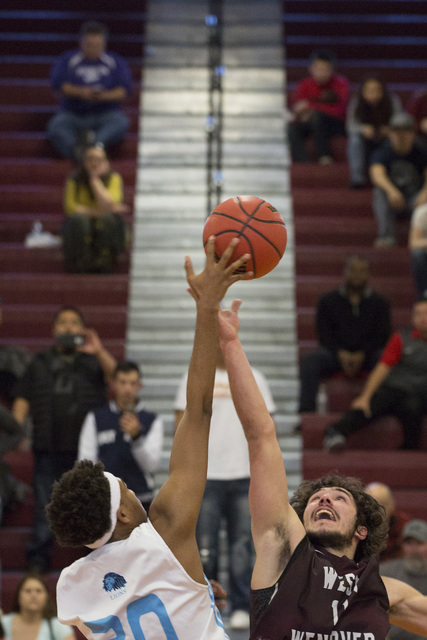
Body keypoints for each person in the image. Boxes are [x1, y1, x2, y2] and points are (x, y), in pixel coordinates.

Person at [45, 238, 251, 640]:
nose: (137, 494)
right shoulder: (168, 531)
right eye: (126, 490)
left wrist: (189, 587)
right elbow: (198, 412)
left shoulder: (70, 588)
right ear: (122, 514)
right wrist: (207, 306)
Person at [217, 295, 427, 640]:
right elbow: (260, 435)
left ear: (362, 529)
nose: (324, 500)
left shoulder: (385, 591)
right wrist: (230, 343)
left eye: (339, 498)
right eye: (316, 499)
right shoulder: (283, 554)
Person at [174, 347, 276, 630]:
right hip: (205, 475)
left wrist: (264, 471)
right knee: (205, 549)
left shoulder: (254, 377)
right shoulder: (193, 377)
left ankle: (242, 605)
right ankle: (207, 607)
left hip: (244, 474)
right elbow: (180, 425)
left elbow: (267, 427)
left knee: (243, 546)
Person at [12, 305, 117, 573]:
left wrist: (99, 350)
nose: (68, 328)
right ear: (54, 329)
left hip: (87, 451)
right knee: (43, 505)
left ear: (82, 329)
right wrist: (16, 430)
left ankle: (94, 559)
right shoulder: (40, 362)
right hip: (47, 446)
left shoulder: (93, 361)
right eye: (63, 323)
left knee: (89, 503)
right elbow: (23, 398)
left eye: (74, 323)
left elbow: (117, 379)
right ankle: (38, 559)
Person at [324, 294, 427, 452]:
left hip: (419, 395)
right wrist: (365, 396)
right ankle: (335, 432)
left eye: (425, 313)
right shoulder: (402, 338)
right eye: (418, 314)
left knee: (412, 408)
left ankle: (409, 450)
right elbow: (382, 367)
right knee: (371, 403)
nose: (422, 318)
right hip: (395, 389)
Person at [298, 255, 391, 415]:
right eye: (353, 270)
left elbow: (382, 336)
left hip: (368, 355)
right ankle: (306, 413)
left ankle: (382, 409)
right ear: (345, 273)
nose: (357, 275)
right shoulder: (327, 300)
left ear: (368, 275)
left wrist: (363, 353)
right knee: (311, 361)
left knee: (385, 359)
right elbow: (324, 334)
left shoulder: (380, 303)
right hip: (335, 354)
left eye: (362, 271)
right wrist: (340, 353)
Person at [78, 360, 164, 512]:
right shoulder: (96, 418)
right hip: (105, 498)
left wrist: (136, 437)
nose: (127, 389)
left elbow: (151, 465)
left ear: (140, 386)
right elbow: (85, 462)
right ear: (113, 384)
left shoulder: (151, 420)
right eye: (123, 382)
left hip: (140, 498)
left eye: (132, 383)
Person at [47, 21, 132, 161]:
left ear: (104, 44)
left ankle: (94, 146)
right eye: (89, 45)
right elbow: (59, 87)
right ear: (81, 42)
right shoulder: (68, 59)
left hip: (104, 113)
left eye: (97, 45)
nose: (93, 49)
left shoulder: (115, 61)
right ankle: (78, 152)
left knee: (120, 122)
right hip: (73, 113)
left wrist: (102, 96)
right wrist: (82, 92)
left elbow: (123, 91)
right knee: (57, 125)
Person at [62, 143, 129, 273]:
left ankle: (105, 261)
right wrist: (101, 211)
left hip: (105, 225)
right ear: (83, 161)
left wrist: (95, 180)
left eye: (99, 159)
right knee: (78, 220)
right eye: (90, 159)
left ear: (107, 162)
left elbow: (110, 203)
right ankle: (80, 261)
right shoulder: (74, 179)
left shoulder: (114, 178)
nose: (94, 163)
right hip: (81, 226)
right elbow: (70, 208)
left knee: (110, 220)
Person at [369, 112, 427, 247]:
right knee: (379, 193)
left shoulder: (422, 153)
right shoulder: (382, 152)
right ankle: (386, 236)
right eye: (397, 131)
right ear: (390, 133)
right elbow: (377, 174)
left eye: (405, 131)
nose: (401, 136)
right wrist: (391, 191)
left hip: (414, 198)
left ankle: (422, 239)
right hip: (393, 198)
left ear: (412, 133)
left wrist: (424, 193)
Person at [287, 49, 349, 164]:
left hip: (334, 124)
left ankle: (324, 156)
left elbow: (338, 111)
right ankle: (303, 162)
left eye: (325, 69)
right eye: (318, 69)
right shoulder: (304, 84)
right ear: (311, 68)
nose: (321, 72)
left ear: (332, 70)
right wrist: (304, 113)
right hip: (312, 123)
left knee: (317, 117)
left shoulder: (340, 84)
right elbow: (298, 110)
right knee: (291, 129)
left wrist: (310, 106)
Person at [346, 75, 402, 188]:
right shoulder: (357, 102)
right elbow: (350, 125)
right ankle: (357, 178)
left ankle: (390, 177)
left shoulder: (392, 101)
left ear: (383, 90)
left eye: (376, 90)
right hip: (365, 140)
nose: (373, 94)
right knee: (354, 139)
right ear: (363, 91)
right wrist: (363, 129)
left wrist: (388, 130)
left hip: (385, 139)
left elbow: (399, 124)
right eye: (369, 90)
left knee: (395, 139)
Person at [380, 519, 427, 640]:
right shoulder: (384, 572)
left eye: (419, 543)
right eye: (409, 543)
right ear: (402, 545)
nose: (413, 549)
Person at [1, 572, 75, 640]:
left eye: (38, 591)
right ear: (18, 596)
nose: (33, 595)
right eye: (28, 591)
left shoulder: (58, 627)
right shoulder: (2, 623)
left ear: (47, 597)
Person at [365, 482, 410, 561]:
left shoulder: (403, 525)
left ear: (392, 503)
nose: (379, 509)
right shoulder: (354, 527)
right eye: (372, 504)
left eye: (383, 503)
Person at [409, 202, 427, 298]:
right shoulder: (422, 212)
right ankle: (424, 294)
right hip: (425, 255)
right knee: (417, 254)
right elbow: (413, 242)